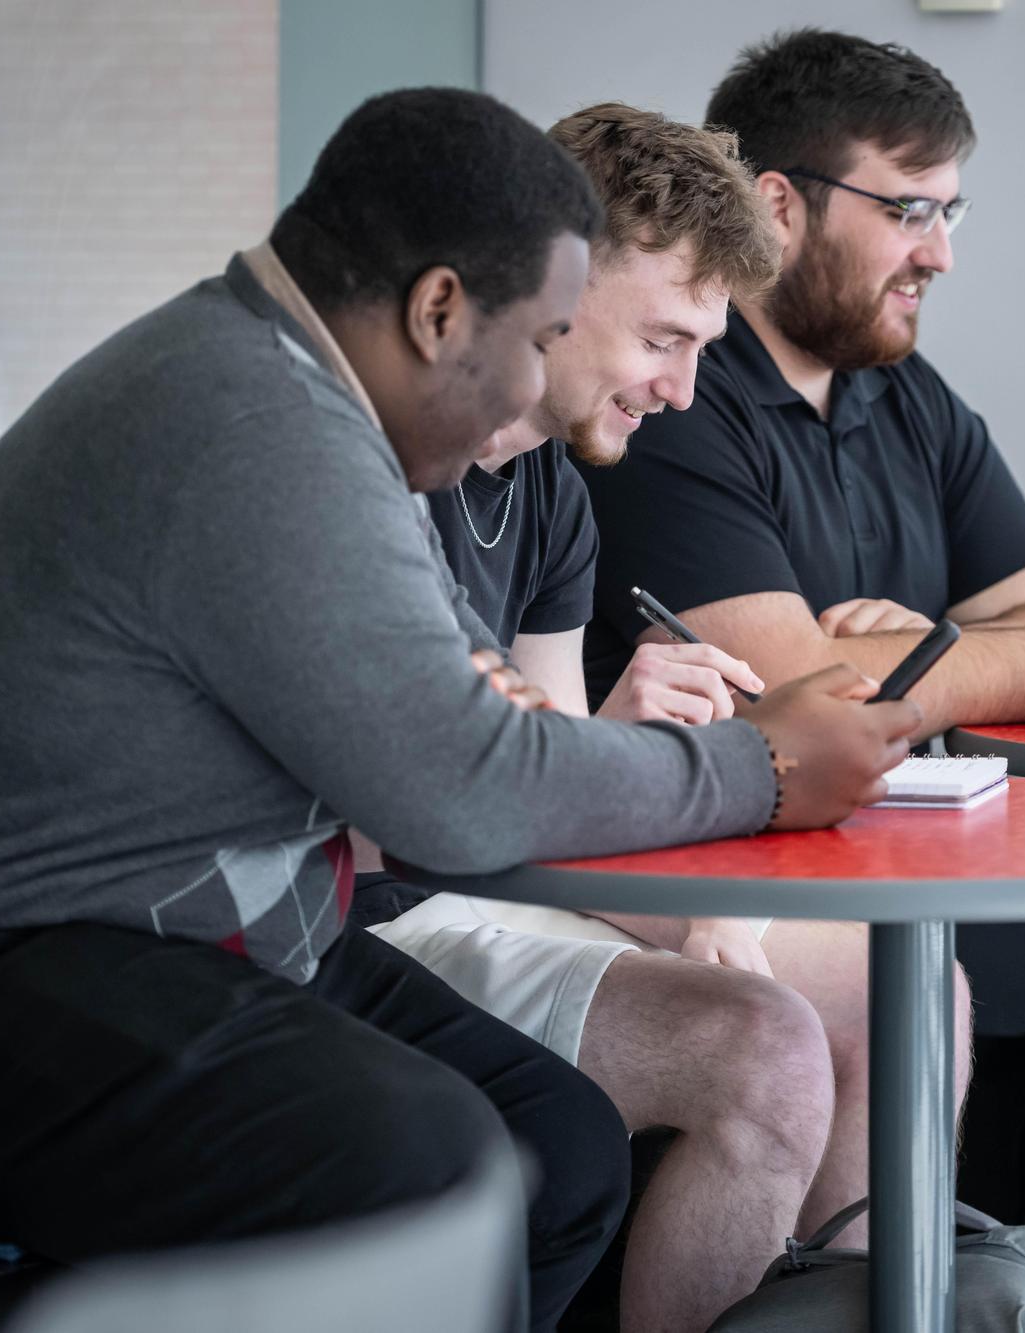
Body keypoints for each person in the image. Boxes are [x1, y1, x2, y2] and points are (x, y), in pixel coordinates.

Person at [0, 88, 916, 1332]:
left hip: (176, 935)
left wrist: (532, 747)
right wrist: (759, 765)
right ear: (439, 311)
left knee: (549, 1149)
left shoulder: (316, 416)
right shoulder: (251, 424)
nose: (527, 391)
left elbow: (483, 738)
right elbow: (463, 784)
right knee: (431, 1162)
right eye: (541, 332)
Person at [573, 31, 1025, 1328]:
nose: (940, 251)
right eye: (907, 210)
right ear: (778, 204)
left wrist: (927, 641)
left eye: (950, 212)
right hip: (772, 883)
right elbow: (815, 700)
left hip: (911, 858)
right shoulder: (671, 394)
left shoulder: (909, 401)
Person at [347, 102, 972, 1332]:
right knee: (768, 1047)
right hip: (384, 903)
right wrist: (682, 852)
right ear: (559, 287)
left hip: (479, 874)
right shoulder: (379, 471)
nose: (684, 394)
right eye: (666, 341)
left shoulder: (553, 494)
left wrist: (623, 758)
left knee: (907, 997)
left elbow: (550, 803)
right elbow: (470, 808)